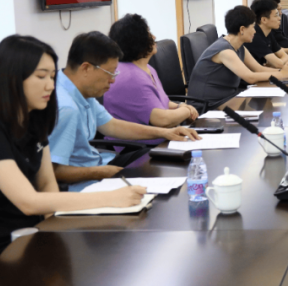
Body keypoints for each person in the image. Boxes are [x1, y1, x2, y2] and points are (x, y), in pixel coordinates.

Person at [0, 35, 148, 286]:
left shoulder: (34, 120)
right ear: (12, 78)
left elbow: (46, 183)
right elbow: (28, 201)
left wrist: (56, 234)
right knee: (96, 280)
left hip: (33, 234)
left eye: (52, 77)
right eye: (41, 76)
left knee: (112, 265)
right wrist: (110, 198)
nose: (50, 85)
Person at [49, 32, 200, 189]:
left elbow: (112, 125)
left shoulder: (80, 90)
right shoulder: (66, 107)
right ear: (86, 68)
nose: (113, 80)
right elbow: (53, 172)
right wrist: (101, 172)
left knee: (158, 158)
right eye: (110, 73)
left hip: (99, 163)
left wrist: (166, 133)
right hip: (84, 183)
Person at [104, 14, 199, 132]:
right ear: (137, 42)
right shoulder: (132, 77)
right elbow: (163, 120)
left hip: (159, 136)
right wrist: (186, 111)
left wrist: (180, 106)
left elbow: (160, 102)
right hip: (139, 143)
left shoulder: (146, 68)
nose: (154, 37)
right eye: (148, 34)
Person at [189, 6, 288, 104]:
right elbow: (250, 77)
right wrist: (282, 74)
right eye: (253, 27)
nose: (255, 31)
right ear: (242, 29)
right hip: (209, 104)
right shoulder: (225, 51)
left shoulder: (239, 46)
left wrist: (285, 70)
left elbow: (259, 69)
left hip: (228, 98)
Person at [245, 0, 288, 68]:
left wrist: (278, 62)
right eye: (276, 15)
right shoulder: (255, 36)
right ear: (264, 20)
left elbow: (284, 55)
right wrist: (278, 63)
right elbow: (278, 64)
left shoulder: (268, 32)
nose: (279, 18)